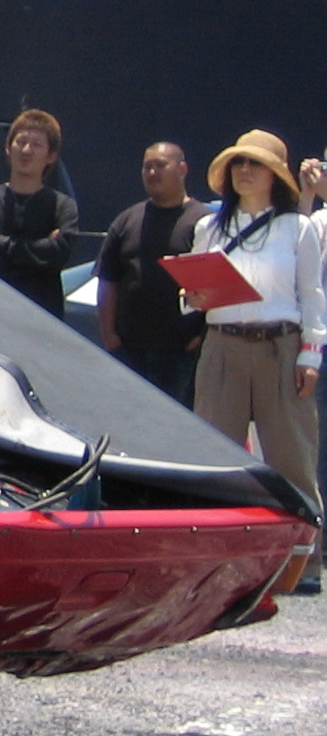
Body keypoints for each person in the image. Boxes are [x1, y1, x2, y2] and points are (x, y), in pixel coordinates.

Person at [188, 131, 323, 591]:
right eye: (238, 164)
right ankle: (213, 560)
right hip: (222, 344)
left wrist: (311, 354)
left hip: (279, 346)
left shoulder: (298, 228)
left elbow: (313, 295)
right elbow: (192, 297)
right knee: (214, 456)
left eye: (256, 164)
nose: (245, 171)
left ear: (276, 176)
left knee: (292, 456)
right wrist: (193, 296)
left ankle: (303, 561)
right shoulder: (209, 227)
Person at [95, 143, 210, 406]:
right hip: (129, 351)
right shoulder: (126, 220)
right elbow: (108, 280)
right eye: (147, 166)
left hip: (182, 353)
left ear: (182, 169)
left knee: (176, 432)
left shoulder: (203, 221)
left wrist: (201, 337)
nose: (152, 172)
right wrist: (109, 335)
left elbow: (213, 285)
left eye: (160, 165)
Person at [0, 109, 80, 317]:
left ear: (51, 156)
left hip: (44, 317)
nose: (26, 150)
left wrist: (1, 243)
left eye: (37, 145)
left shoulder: (63, 206)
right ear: (8, 147)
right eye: (20, 142)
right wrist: (39, 248)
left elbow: (59, 253)